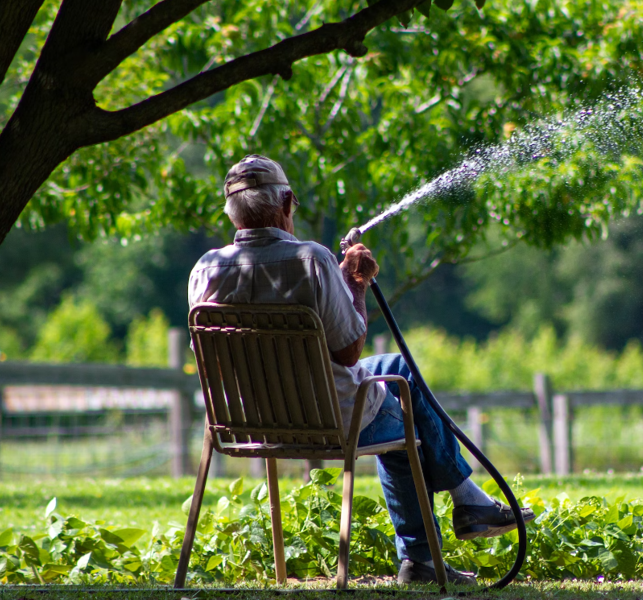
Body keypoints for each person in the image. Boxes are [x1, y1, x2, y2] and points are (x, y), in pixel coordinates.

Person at [188, 155, 534, 585]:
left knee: (396, 368)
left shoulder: (206, 268)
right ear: (287, 202)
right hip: (329, 421)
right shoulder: (312, 260)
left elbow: (213, 359)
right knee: (404, 412)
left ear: (231, 211)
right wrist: (353, 284)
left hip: (244, 422)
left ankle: (466, 505)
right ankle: (441, 533)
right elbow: (350, 352)